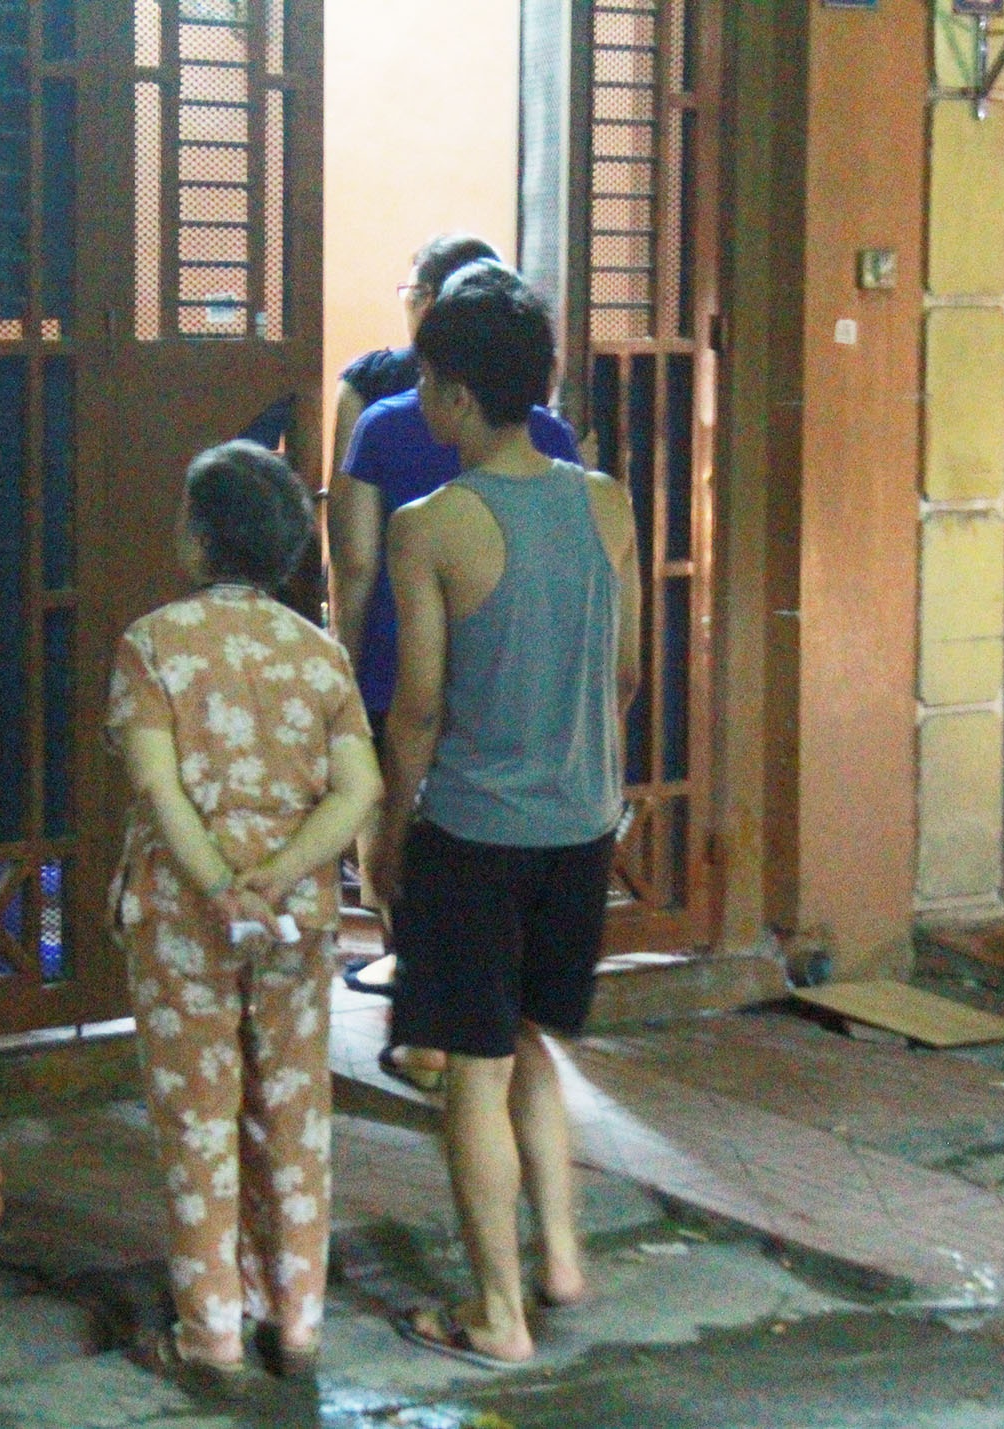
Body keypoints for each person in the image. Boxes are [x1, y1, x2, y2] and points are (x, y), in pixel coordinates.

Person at [366, 266, 640, 1368]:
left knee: (472, 1072)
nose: (422, 397)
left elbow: (419, 709)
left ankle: (497, 1315)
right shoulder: (606, 502)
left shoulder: (432, 526)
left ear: (458, 395)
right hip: (583, 826)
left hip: (476, 833)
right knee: (532, 1042)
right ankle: (561, 1259)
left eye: (428, 379)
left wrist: (388, 834)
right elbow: (625, 672)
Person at [106, 441, 383, 1388]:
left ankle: (211, 1333)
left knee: (199, 1117)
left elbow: (158, 786)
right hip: (295, 920)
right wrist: (278, 876)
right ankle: (296, 1324)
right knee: (293, 1114)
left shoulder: (154, 643)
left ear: (198, 537)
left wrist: (221, 879)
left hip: (183, 917)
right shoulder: (319, 652)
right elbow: (359, 788)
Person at [327, 238, 581, 1091]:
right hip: (515, 679)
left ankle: (430, 1023)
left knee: (411, 834)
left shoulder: (382, 423)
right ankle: (483, 1020)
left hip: (401, 663)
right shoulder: (558, 441)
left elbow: (354, 562)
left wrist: (344, 662)